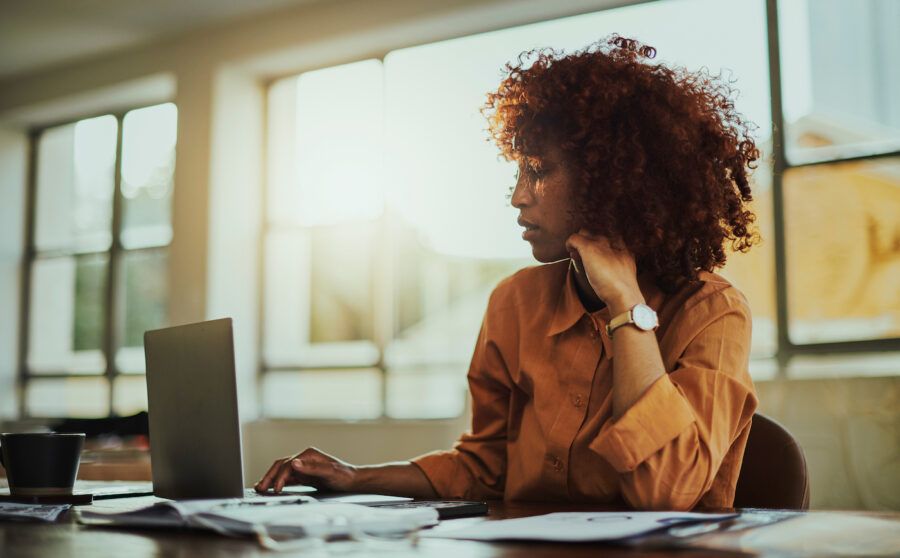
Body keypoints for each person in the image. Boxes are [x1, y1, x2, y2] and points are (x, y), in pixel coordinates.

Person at [255, 35, 760, 511]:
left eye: (539, 171)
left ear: (611, 180)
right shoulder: (515, 302)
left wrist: (626, 304)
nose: (518, 196)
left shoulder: (712, 312)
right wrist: (355, 478)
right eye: (518, 172)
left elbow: (664, 491)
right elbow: (486, 467)